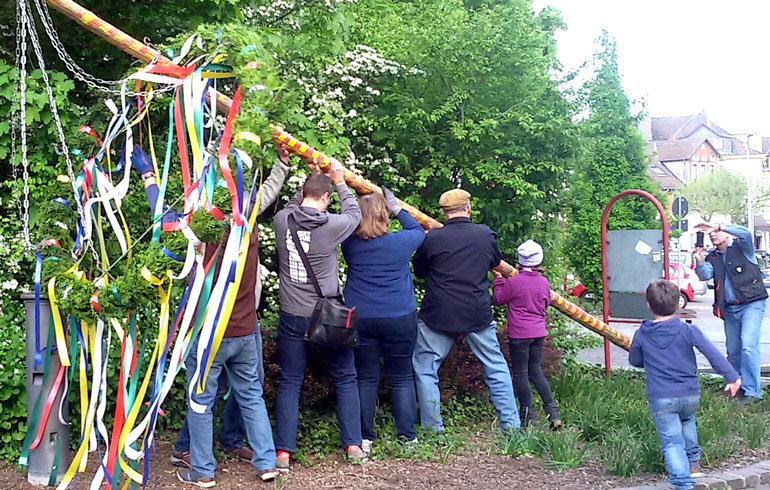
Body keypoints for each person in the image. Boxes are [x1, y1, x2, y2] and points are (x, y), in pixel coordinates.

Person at [134, 142, 293, 486]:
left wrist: (147, 174)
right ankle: (266, 462)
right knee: (251, 395)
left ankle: (203, 472)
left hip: (207, 336)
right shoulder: (245, 219)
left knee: (200, 400)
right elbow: (266, 192)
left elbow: (160, 210)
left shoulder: (194, 230)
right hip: (245, 331)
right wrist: (281, 164)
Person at [272, 165, 364, 470]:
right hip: (327, 316)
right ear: (326, 197)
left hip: (292, 314)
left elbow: (289, 205)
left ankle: (283, 451)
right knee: (345, 377)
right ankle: (352, 444)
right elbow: (355, 214)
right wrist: (340, 181)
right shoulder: (332, 225)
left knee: (290, 380)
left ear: (301, 195)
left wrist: (303, 176)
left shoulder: (282, 220)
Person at [411, 189, 519, 432]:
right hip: (476, 311)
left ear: (444, 212)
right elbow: (493, 262)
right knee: (495, 366)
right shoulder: (485, 235)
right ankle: (511, 427)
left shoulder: (433, 238)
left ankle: (432, 429)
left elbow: (419, 271)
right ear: (468, 208)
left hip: (438, 312)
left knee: (426, 369)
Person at [629, 279, 741, 490]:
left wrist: (650, 357)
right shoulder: (688, 330)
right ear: (678, 304)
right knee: (687, 419)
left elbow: (635, 361)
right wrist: (732, 377)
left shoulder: (642, 334)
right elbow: (712, 354)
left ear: (648, 305)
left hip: (661, 396)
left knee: (672, 442)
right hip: (689, 394)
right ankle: (693, 464)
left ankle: (682, 483)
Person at [341, 188, 425, 455]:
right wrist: (397, 207)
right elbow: (419, 229)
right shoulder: (402, 241)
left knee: (365, 378)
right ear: (384, 215)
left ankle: (364, 437)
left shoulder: (349, 244)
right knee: (401, 377)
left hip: (361, 317)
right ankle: (407, 437)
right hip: (399, 316)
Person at [693, 222, 768, 404]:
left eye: (717, 232)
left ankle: (752, 393)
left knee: (748, 346)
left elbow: (746, 233)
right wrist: (700, 260)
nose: (713, 235)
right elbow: (705, 275)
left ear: (727, 234)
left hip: (751, 303)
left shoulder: (743, 247)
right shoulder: (713, 257)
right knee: (733, 351)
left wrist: (719, 225)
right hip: (729, 308)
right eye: (710, 234)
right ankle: (736, 387)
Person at [491, 239, 561, 430]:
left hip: (519, 334)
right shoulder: (544, 282)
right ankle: (553, 413)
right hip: (538, 333)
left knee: (521, 373)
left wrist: (498, 280)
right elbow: (545, 303)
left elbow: (498, 299)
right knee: (535, 370)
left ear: (520, 260)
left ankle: (527, 417)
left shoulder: (514, 282)